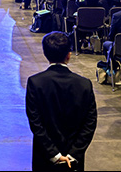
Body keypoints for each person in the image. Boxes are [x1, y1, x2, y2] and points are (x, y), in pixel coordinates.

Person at [25, 31, 97, 171]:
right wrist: (74, 153)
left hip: (44, 157)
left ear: (45, 54)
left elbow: (35, 123)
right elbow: (90, 122)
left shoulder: (35, 82)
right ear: (68, 55)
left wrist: (54, 154)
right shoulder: (84, 84)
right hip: (73, 160)